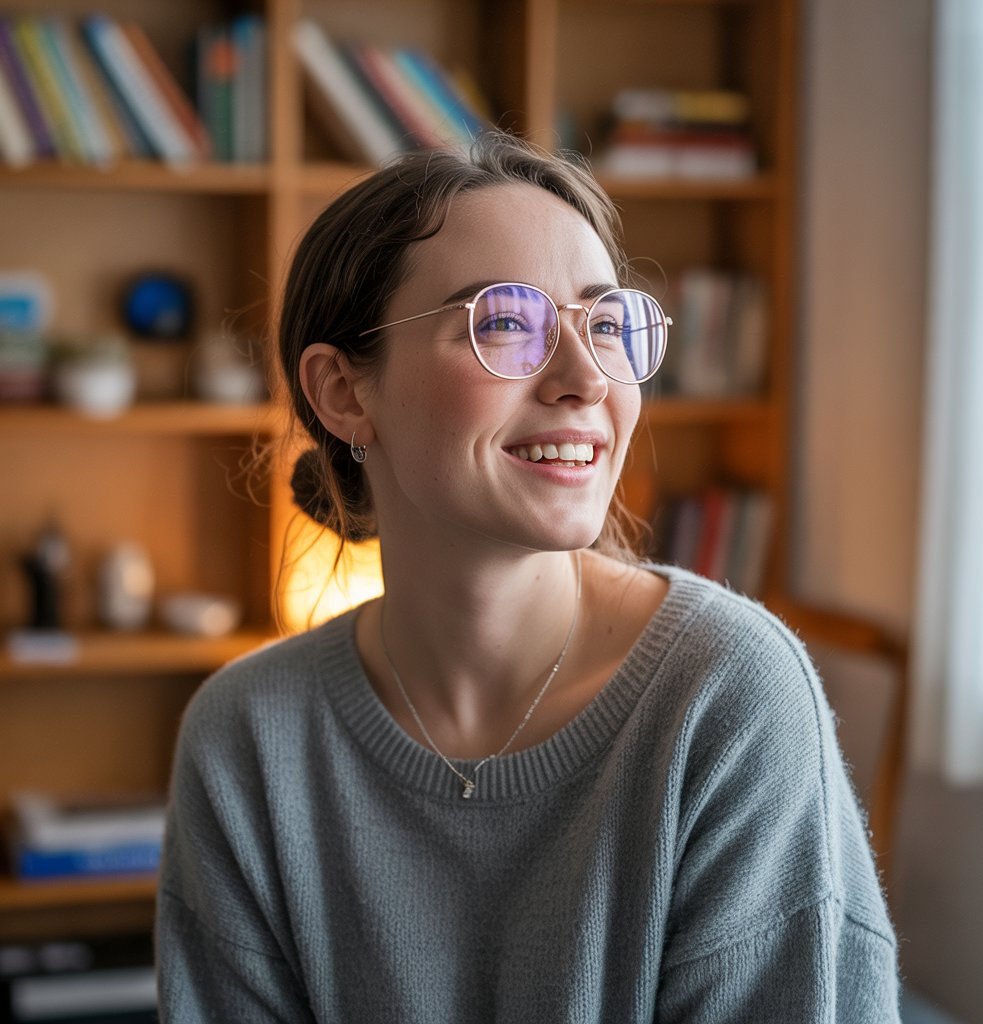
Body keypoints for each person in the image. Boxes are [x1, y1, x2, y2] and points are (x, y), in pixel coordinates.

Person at [155, 133, 900, 1022]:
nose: (586, 379)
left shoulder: (728, 695)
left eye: (605, 324)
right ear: (346, 393)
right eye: (506, 322)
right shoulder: (247, 738)